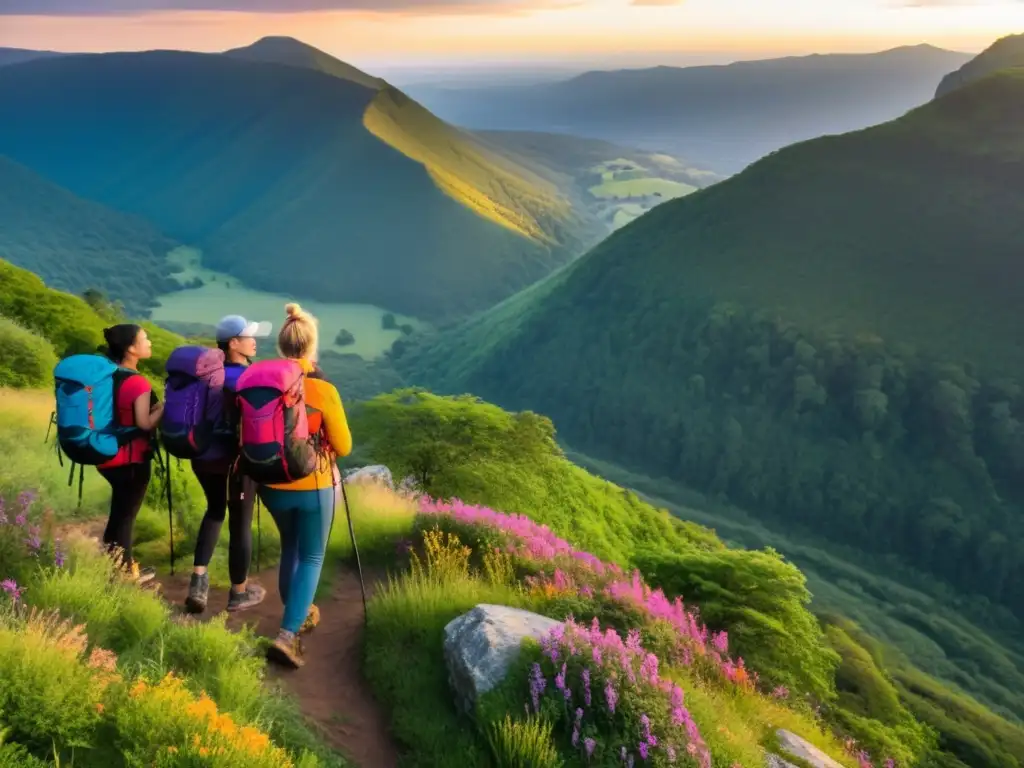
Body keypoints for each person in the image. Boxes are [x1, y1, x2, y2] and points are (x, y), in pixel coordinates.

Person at [259, 303, 352, 668]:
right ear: (311, 347)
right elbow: (343, 446)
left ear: (281, 346)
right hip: (313, 485)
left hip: (271, 482)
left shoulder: (264, 382)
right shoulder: (322, 389)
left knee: (291, 547)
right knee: (312, 556)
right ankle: (287, 634)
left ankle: (295, 611)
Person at [185, 315, 273, 615]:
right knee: (240, 523)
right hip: (235, 464)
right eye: (249, 337)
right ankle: (238, 593)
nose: (254, 341)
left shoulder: (206, 375)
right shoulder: (249, 377)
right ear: (233, 343)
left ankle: (198, 581)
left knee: (213, 511)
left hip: (203, 457)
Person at [97, 324, 163, 584]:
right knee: (125, 517)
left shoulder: (108, 376)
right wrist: (165, 407)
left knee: (119, 512)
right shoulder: (136, 381)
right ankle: (125, 575)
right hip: (131, 459)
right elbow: (144, 423)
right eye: (145, 339)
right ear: (131, 348)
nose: (149, 343)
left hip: (105, 455)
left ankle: (117, 567)